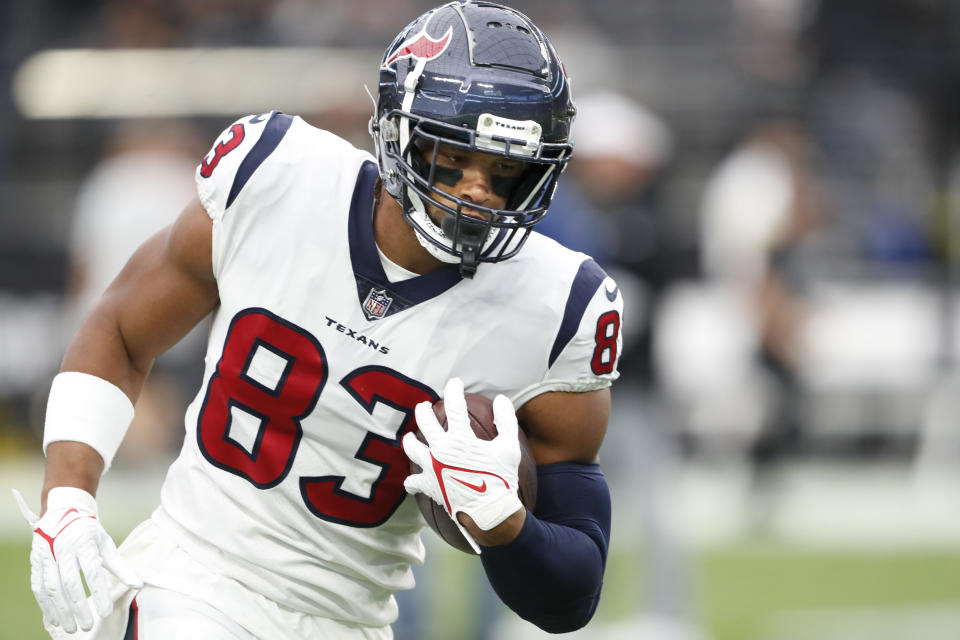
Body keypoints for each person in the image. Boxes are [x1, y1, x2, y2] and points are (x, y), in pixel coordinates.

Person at [14, 2, 623, 639]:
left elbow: (570, 596)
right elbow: (119, 328)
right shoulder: (278, 176)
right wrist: (69, 497)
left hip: (353, 620)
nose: (476, 191)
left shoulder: (559, 306)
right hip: (194, 582)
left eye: (506, 171)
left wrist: (502, 521)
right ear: (396, 132)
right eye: (452, 155)